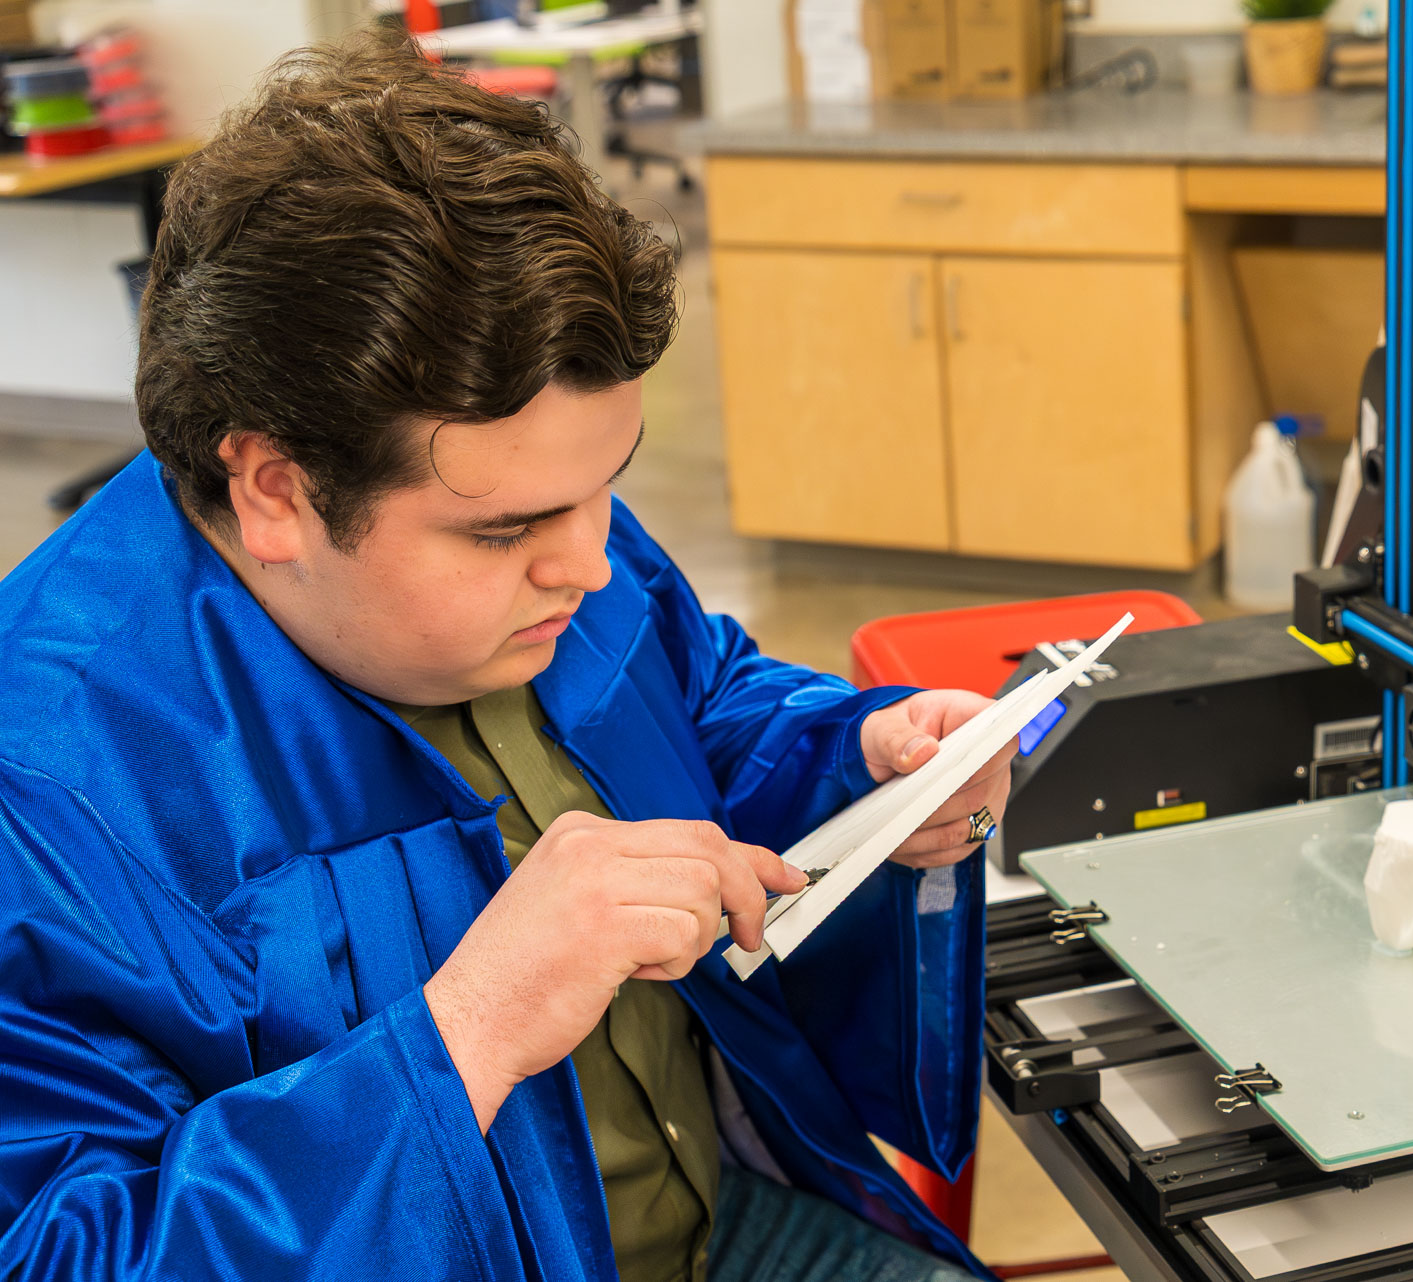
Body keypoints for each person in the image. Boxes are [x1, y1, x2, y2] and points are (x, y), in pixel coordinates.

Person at [0, 29, 1011, 1282]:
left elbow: (701, 703)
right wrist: (463, 1032)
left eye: (606, 490)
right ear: (274, 489)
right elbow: (64, 1254)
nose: (588, 566)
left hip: (723, 1215)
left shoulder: (544, 499)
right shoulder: (51, 791)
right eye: (504, 530)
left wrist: (858, 758)